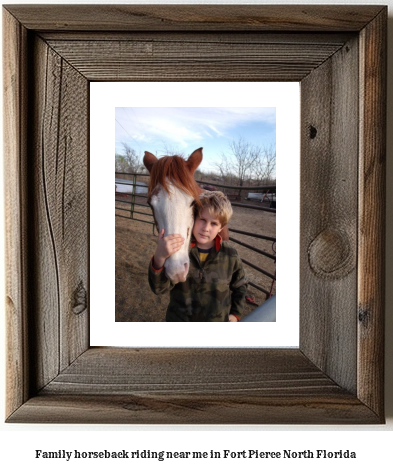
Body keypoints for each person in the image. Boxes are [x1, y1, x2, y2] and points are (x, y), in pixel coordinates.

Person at [148, 191, 247, 322]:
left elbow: (240, 285)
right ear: (192, 218)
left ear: (221, 228)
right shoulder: (178, 251)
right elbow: (159, 289)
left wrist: (236, 313)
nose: (206, 228)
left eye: (213, 224)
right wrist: (159, 257)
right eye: (202, 220)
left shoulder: (230, 255)